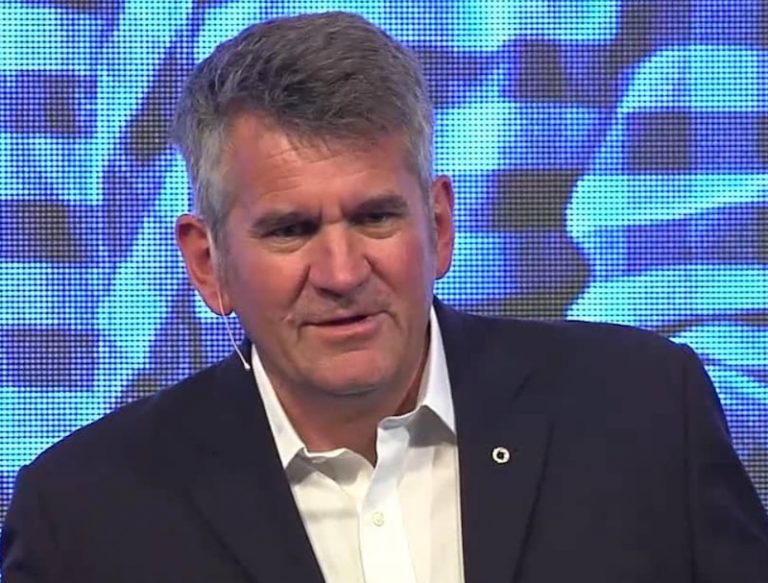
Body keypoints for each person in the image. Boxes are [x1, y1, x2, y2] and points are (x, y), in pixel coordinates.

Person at [2, 11, 767, 583]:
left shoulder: (644, 412)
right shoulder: (81, 517)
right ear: (208, 264)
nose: (341, 271)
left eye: (375, 217)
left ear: (438, 224)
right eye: (291, 230)